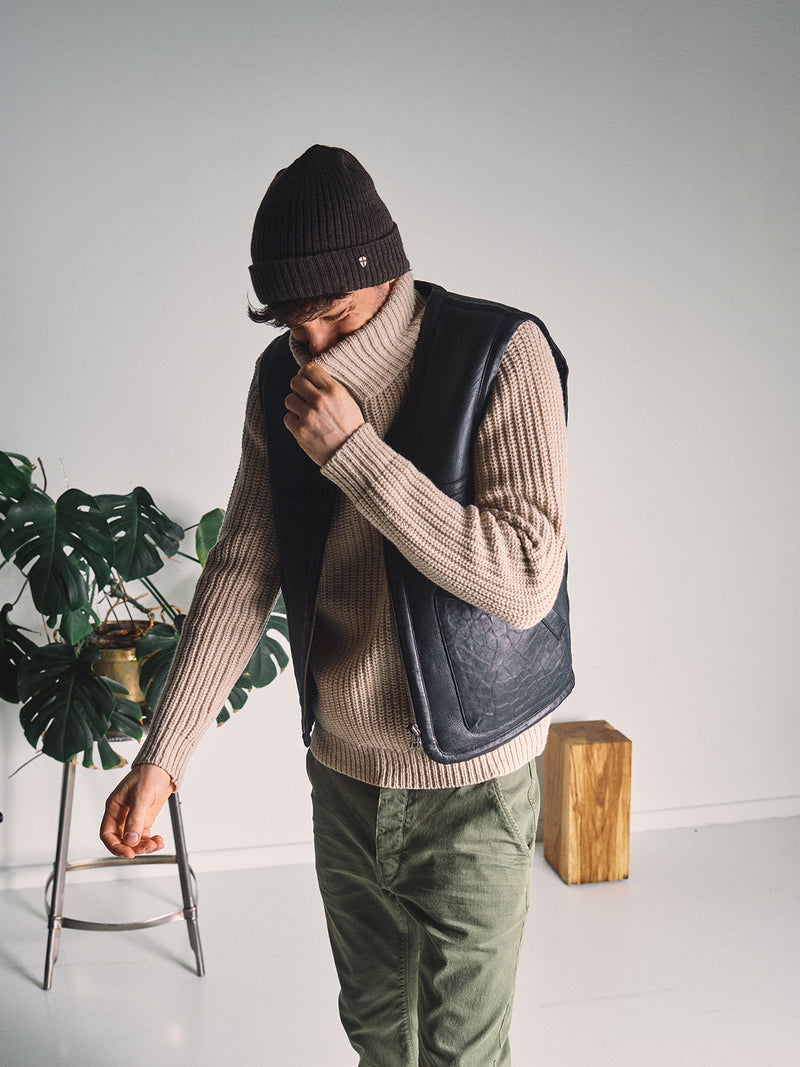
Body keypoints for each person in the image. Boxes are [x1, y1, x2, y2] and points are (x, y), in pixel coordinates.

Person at [100, 144, 573, 1066]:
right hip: (345, 776)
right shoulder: (278, 381)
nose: (313, 344)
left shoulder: (501, 354)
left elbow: (525, 578)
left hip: (473, 781)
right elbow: (244, 566)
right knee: (377, 1037)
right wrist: (163, 756)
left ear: (388, 273)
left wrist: (355, 454)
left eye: (334, 313)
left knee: (464, 1052)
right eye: (291, 323)